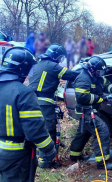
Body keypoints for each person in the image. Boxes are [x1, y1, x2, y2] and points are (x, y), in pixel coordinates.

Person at [0, 47, 55, 181]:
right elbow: (34, 129)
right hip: (16, 156)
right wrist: (49, 149)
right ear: (22, 69)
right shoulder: (23, 92)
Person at [28, 44, 80, 168]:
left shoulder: (39, 64)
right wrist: (83, 69)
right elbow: (70, 75)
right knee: (48, 130)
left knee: (38, 129)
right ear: (56, 56)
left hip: (33, 101)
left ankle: (39, 156)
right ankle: (46, 162)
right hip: (44, 103)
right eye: (60, 58)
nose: (60, 60)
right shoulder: (52, 66)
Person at [70, 56, 112, 170]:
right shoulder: (83, 79)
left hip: (91, 110)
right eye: (100, 71)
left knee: (83, 132)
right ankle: (101, 162)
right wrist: (100, 98)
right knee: (102, 131)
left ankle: (74, 156)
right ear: (93, 69)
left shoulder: (96, 76)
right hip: (86, 111)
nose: (101, 73)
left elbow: (106, 84)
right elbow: (81, 97)